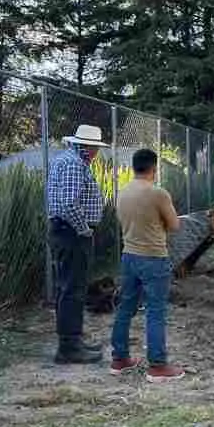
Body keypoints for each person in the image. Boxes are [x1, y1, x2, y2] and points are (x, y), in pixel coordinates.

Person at [110, 148, 184, 382]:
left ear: (134, 167)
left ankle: (119, 359)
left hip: (129, 256)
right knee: (155, 311)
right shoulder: (158, 194)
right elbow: (174, 225)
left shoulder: (122, 193)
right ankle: (158, 366)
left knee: (125, 308)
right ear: (154, 167)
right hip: (153, 258)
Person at [47, 124, 108, 364]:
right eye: (95, 148)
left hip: (67, 231)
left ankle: (72, 341)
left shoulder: (69, 160)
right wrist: (84, 229)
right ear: (87, 147)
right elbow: (69, 203)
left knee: (69, 287)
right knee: (73, 289)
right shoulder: (73, 164)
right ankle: (69, 348)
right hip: (72, 233)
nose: (97, 153)